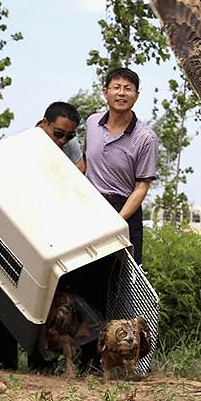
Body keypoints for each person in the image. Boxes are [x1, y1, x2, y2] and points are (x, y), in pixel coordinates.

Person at [0, 101, 83, 372]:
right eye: (58, 134)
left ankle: (42, 362)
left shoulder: (69, 146)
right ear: (43, 123)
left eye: (69, 136)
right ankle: (2, 361)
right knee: (6, 288)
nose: (63, 140)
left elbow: (77, 174)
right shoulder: (19, 145)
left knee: (48, 294)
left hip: (49, 227)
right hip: (16, 225)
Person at [81, 68, 158, 265]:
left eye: (128, 89)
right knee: (81, 271)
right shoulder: (92, 123)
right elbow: (85, 163)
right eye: (116, 87)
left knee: (120, 277)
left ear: (136, 96)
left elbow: (142, 187)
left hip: (123, 210)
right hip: (89, 206)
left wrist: (116, 221)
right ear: (105, 92)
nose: (121, 93)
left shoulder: (145, 138)